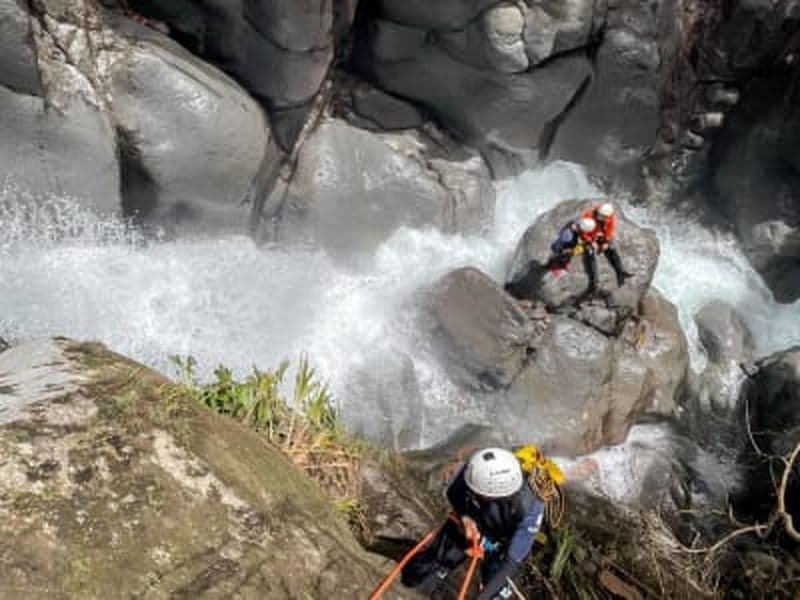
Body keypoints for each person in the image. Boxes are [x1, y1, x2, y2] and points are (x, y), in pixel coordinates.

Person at [401, 448, 545, 599]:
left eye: (479, 494)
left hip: (502, 547)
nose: (473, 492)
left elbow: (511, 562)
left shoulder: (530, 508)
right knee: (417, 576)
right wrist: (465, 519)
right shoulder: (476, 471)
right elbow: (454, 492)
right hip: (471, 524)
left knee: (496, 593)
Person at [579, 201, 632, 293]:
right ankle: (593, 282)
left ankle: (620, 272)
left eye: (605, 217)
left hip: (599, 234)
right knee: (590, 254)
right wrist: (591, 242)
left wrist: (606, 242)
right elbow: (583, 232)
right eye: (602, 217)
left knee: (611, 249)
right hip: (588, 236)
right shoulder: (588, 215)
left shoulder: (608, 215)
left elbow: (610, 229)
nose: (604, 218)